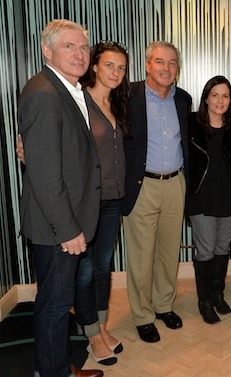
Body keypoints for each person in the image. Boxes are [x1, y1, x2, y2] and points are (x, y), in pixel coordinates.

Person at [17, 19, 103, 377]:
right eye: (69, 46)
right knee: (54, 306)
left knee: (57, 302)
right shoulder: (44, 94)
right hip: (57, 226)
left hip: (65, 219)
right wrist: (68, 230)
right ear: (47, 51)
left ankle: (59, 367)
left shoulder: (68, 88)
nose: (79, 54)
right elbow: (46, 175)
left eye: (83, 47)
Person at [122, 41, 191, 343]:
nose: (166, 68)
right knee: (141, 255)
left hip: (175, 184)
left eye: (172, 63)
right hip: (142, 185)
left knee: (167, 251)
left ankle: (164, 305)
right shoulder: (126, 96)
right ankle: (142, 315)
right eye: (160, 62)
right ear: (148, 64)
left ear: (178, 67)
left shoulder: (183, 100)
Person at [73, 41, 129, 365]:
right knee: (84, 272)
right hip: (86, 201)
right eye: (109, 65)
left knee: (103, 268)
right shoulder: (77, 102)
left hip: (113, 199)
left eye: (121, 67)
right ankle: (92, 333)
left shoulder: (118, 103)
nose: (116, 73)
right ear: (94, 66)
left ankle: (102, 326)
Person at [186, 76, 231, 324]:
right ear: (206, 98)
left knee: (222, 249)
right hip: (201, 198)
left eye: (225, 96)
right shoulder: (191, 123)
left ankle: (218, 294)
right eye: (215, 95)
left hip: (229, 197)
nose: (220, 100)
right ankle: (205, 300)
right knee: (206, 250)